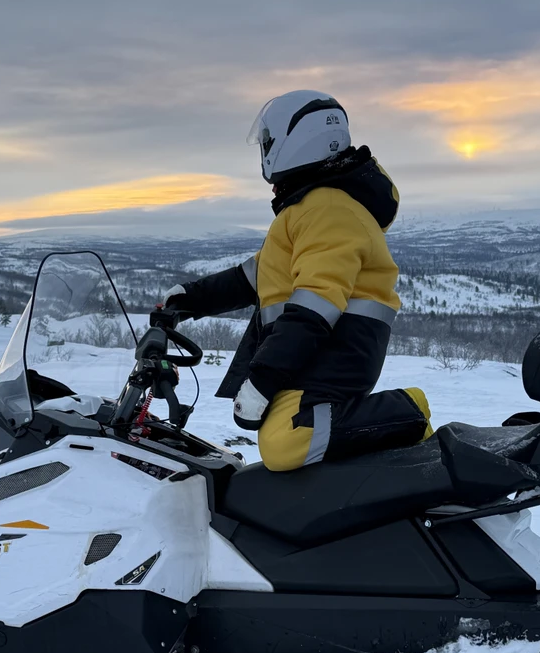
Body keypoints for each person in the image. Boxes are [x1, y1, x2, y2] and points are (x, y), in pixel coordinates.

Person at [164, 90, 432, 471]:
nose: (265, 151)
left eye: (269, 142)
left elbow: (316, 303)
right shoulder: (306, 209)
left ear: (297, 141)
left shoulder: (328, 208)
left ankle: (410, 411)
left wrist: (262, 378)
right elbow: (256, 276)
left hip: (338, 351)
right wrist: (192, 298)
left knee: (287, 441)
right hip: (315, 354)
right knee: (282, 434)